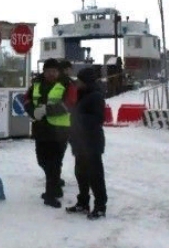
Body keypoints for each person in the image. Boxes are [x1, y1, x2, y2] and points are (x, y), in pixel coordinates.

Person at [23, 58, 75, 208]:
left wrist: (47, 110)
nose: (51, 74)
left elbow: (70, 103)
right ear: (43, 72)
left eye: (53, 71)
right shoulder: (37, 83)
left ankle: (51, 195)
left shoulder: (67, 84)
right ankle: (55, 187)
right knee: (42, 161)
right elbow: (26, 99)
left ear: (58, 72)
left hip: (59, 131)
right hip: (41, 128)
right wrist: (33, 112)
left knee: (54, 163)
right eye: (48, 71)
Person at [65, 67, 108, 219]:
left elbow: (98, 119)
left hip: (91, 142)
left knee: (95, 176)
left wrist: (77, 118)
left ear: (87, 81)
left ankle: (100, 206)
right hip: (80, 142)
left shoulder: (96, 96)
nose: (78, 83)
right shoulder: (83, 95)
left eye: (80, 80)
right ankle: (83, 202)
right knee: (81, 174)